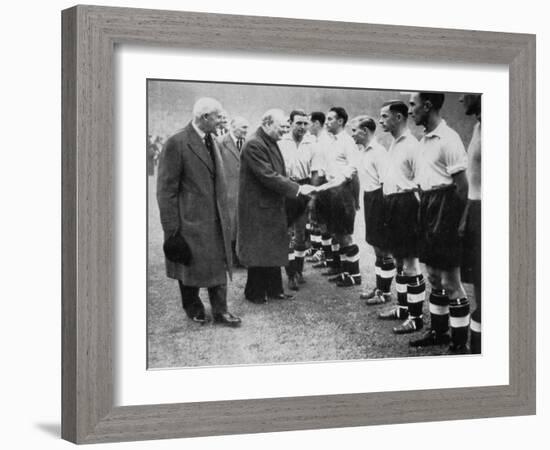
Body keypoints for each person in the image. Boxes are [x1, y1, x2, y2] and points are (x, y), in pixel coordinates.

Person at [156, 97, 241, 327]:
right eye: (218, 117)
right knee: (189, 267)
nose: (221, 120)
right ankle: (193, 307)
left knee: (218, 266)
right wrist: (172, 230)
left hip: (215, 220)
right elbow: (166, 190)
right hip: (189, 222)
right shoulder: (177, 142)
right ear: (204, 118)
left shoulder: (211, 139)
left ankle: (221, 311)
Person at [407, 92, 470, 351]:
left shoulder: (449, 138)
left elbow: (463, 187)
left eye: (413, 104)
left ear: (428, 105)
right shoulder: (423, 140)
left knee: (451, 280)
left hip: (447, 208)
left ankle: (459, 344)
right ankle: (439, 332)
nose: (411, 110)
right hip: (428, 207)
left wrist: (460, 222)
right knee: (433, 275)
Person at [237, 108, 316, 304]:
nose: (284, 131)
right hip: (258, 207)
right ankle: (254, 292)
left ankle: (274, 289)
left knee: (273, 247)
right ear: (267, 123)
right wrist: (297, 188)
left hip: (271, 204)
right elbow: (267, 175)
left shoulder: (269, 140)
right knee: (260, 250)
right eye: (281, 127)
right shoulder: (254, 144)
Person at [376, 101, 425, 334]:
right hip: (392, 204)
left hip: (407, 205)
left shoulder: (413, 145)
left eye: (384, 116)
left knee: (410, 263)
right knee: (399, 261)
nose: (380, 121)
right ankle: (403, 308)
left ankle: (416, 318)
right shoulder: (394, 143)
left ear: (398, 117)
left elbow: (423, 183)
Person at [314, 106, 362, 287]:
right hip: (330, 191)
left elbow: (353, 169)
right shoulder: (331, 142)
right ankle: (344, 271)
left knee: (345, 235)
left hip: (342, 190)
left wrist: (354, 198)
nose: (327, 122)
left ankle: (354, 274)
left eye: (330, 119)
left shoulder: (347, 142)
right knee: (336, 233)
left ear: (341, 121)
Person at [349, 115, 395, 305]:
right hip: (370, 198)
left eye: (355, 130)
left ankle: (385, 293)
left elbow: (387, 183)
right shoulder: (363, 151)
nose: (352, 134)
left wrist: (384, 210)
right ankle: (379, 288)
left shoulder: (378, 152)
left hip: (380, 199)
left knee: (384, 249)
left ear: (365, 131)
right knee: (376, 247)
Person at [278, 109, 315, 290]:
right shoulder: (281, 141)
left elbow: (315, 170)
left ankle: (299, 270)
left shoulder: (312, 142)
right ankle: (290, 273)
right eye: (298, 123)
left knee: (300, 234)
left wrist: (313, 195)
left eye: (305, 123)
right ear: (291, 123)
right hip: (285, 187)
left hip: (304, 188)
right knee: (286, 234)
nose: (302, 127)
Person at [458, 93, 482, 354]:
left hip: (487, 211)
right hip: (474, 209)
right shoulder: (478, 125)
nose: (461, 98)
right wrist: (465, 215)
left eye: (466, 94)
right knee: (477, 284)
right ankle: (476, 350)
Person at [218, 116, 250, 267]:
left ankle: (239, 256)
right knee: (228, 225)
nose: (246, 131)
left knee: (241, 225)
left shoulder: (248, 143)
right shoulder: (220, 142)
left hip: (244, 191)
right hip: (227, 191)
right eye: (243, 127)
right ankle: (228, 258)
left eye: (246, 128)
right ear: (233, 127)